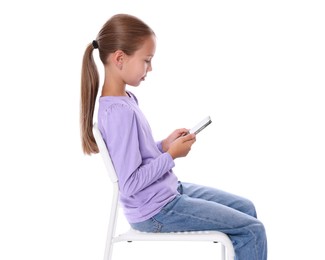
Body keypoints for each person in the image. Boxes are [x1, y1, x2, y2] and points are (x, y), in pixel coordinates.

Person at [80, 13, 267, 260]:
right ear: (120, 58)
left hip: (165, 191)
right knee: (253, 231)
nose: (150, 68)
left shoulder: (126, 100)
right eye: (146, 60)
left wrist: (164, 145)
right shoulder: (117, 113)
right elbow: (130, 183)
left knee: (247, 208)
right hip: (155, 210)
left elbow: (138, 157)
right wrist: (171, 156)